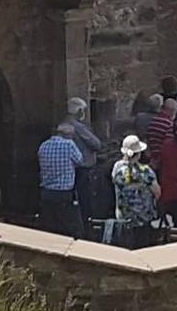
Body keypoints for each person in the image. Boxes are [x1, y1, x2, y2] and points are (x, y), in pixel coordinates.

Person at [111, 135, 161, 249]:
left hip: (123, 217)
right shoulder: (146, 171)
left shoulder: (117, 168)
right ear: (138, 154)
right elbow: (157, 192)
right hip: (143, 219)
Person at [36, 123, 84, 238]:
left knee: (50, 229)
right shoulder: (69, 145)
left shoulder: (43, 145)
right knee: (70, 229)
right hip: (64, 194)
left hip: (46, 193)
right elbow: (80, 160)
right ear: (67, 134)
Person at [64, 97, 103, 225]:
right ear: (79, 111)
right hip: (82, 167)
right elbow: (96, 144)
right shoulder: (77, 126)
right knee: (85, 197)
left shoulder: (64, 123)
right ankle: (87, 223)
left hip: (69, 168)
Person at [147, 97, 177, 166]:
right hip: (161, 159)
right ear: (172, 111)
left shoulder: (153, 121)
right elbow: (168, 145)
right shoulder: (169, 124)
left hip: (151, 156)